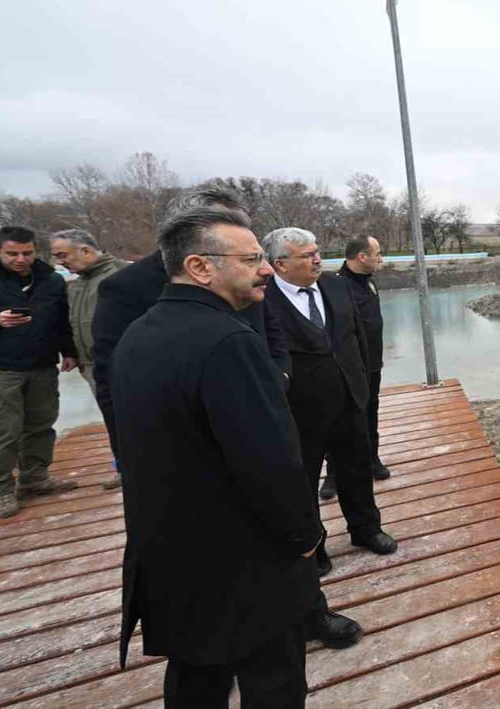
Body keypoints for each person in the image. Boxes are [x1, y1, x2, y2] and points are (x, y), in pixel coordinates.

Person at [113, 207, 321, 707]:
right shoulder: (228, 342)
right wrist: (305, 535)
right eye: (251, 259)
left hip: (170, 554)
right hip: (242, 563)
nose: (266, 268)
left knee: (196, 678)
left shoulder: (139, 334)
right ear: (201, 267)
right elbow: (269, 461)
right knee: (273, 679)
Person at [91, 188, 291, 477]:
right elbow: (112, 378)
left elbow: (272, 332)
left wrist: (279, 377)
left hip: (256, 417)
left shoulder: (248, 274)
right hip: (183, 443)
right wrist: (127, 451)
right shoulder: (124, 288)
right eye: (222, 223)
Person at [261, 227, 397, 582]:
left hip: (349, 400)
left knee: (356, 468)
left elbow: (357, 341)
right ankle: (315, 547)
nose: (317, 259)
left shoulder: (336, 286)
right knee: (304, 482)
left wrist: (362, 387)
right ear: (280, 264)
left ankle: (366, 529)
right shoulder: (262, 301)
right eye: (306, 256)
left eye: (317, 252)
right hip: (299, 411)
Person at [0, 225, 79, 519]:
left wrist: (69, 351)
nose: (21, 259)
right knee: (3, 432)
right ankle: (1, 491)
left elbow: (61, 320)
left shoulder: (51, 280)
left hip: (42, 365)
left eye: (27, 253)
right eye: (12, 254)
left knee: (41, 425)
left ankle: (34, 478)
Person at [49, 228, 127, 489]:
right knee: (112, 419)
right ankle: (123, 467)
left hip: (122, 363)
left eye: (63, 255)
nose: (61, 262)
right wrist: (71, 352)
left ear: (84, 250)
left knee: (131, 417)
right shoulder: (77, 284)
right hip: (91, 366)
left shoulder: (121, 274)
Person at [320, 234, 388, 502]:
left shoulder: (369, 283)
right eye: (378, 253)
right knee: (342, 419)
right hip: (349, 368)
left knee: (371, 411)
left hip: (372, 364)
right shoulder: (336, 286)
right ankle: (333, 474)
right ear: (362, 257)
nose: (381, 258)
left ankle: (371, 459)